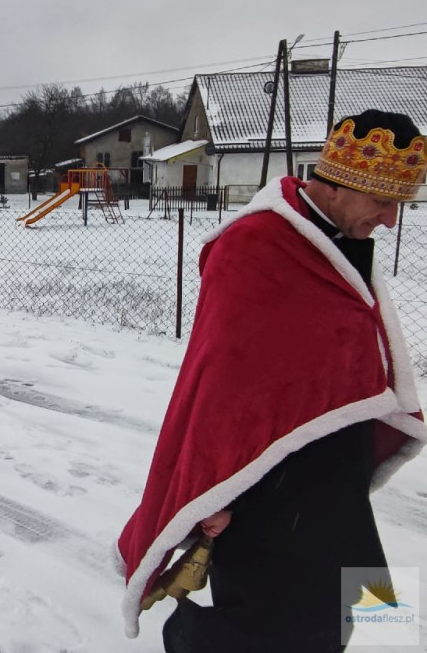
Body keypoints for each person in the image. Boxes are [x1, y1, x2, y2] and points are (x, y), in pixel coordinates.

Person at [117, 110, 427, 653]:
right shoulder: (255, 246)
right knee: (279, 630)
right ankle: (187, 638)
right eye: (383, 201)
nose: (391, 219)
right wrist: (210, 489)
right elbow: (219, 386)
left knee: (371, 607)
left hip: (337, 475)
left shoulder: (339, 239)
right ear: (337, 186)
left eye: (400, 204)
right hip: (267, 482)